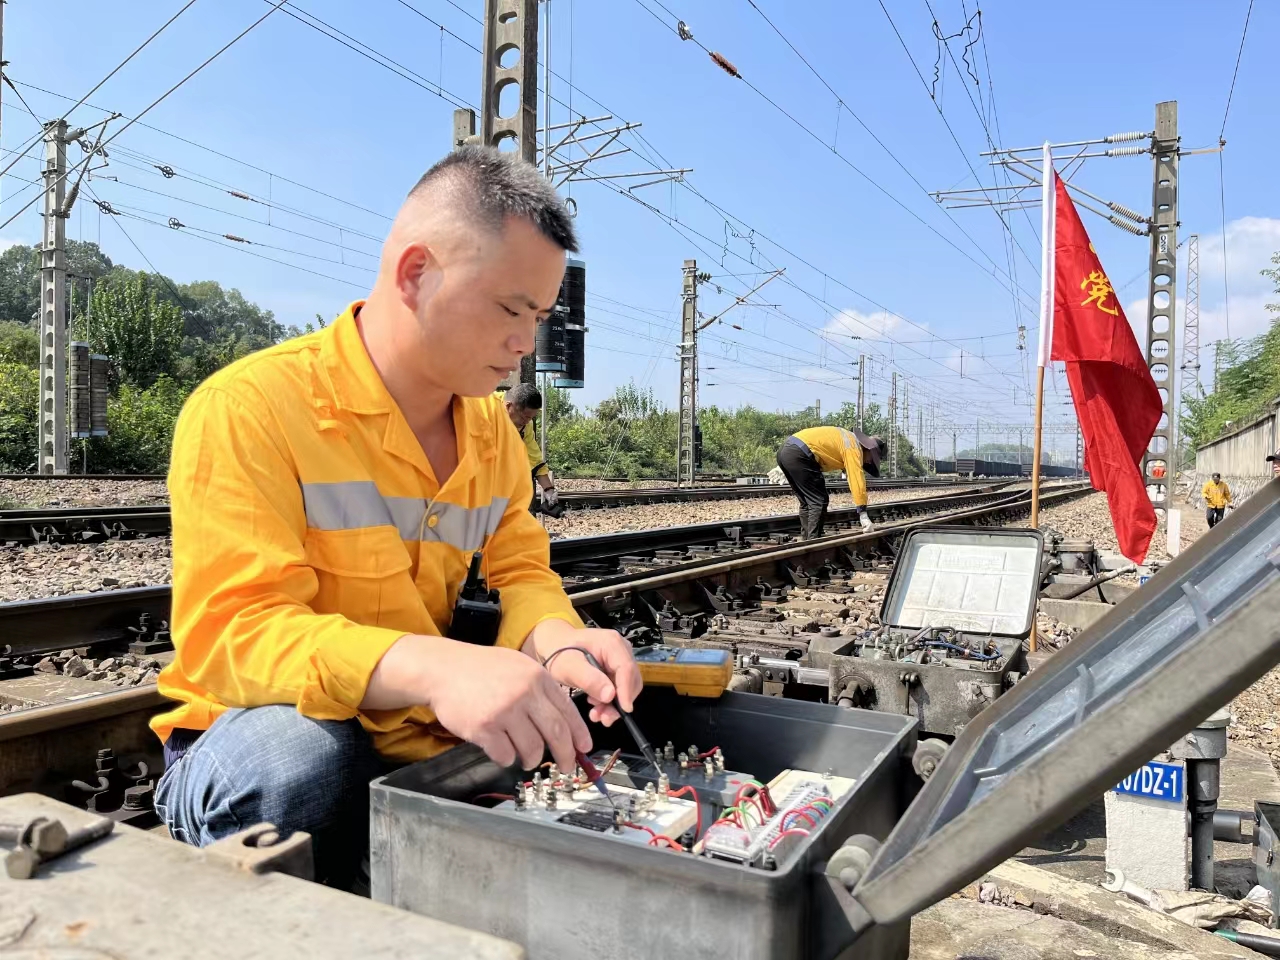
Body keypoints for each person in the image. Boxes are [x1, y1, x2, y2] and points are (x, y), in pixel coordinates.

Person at [151, 147, 642, 888]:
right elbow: (233, 635)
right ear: (416, 274)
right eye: (510, 309)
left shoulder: (491, 437)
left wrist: (558, 644)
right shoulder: (253, 409)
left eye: (538, 317)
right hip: (257, 725)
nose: (525, 343)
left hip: (410, 726)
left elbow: (523, 577)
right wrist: (439, 666)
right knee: (298, 760)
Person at [776, 426, 887, 539]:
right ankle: (813, 542)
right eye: (872, 458)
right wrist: (863, 513)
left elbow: (815, 443)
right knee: (818, 501)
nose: (869, 461)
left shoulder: (848, 439)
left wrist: (789, 459)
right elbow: (857, 480)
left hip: (787, 451)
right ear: (868, 449)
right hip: (800, 454)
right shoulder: (854, 448)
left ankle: (806, 540)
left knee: (807, 502)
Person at [502, 382, 561, 516]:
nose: (528, 421)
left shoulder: (524, 427)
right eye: (525, 417)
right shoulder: (483, 412)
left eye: (531, 418)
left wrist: (549, 490)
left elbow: (534, 459)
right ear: (509, 406)